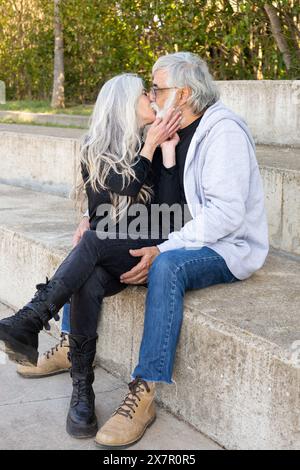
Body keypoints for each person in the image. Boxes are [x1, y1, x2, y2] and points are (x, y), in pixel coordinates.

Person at [93, 52, 269, 449]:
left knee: (167, 266)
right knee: (101, 238)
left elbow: (225, 217)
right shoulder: (168, 128)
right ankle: (73, 340)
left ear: (184, 93)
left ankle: (145, 390)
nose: (152, 95)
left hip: (227, 246)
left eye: (158, 88)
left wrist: (161, 246)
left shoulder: (223, 133)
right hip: (183, 233)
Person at [0, 73, 182, 438]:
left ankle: (31, 319)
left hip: (148, 246)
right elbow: (110, 203)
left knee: (94, 241)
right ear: (126, 105)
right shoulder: (94, 148)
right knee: (89, 273)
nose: (152, 99)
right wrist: (89, 218)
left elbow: (172, 214)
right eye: (145, 95)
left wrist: (165, 151)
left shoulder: (155, 143)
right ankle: (82, 391)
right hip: (110, 250)